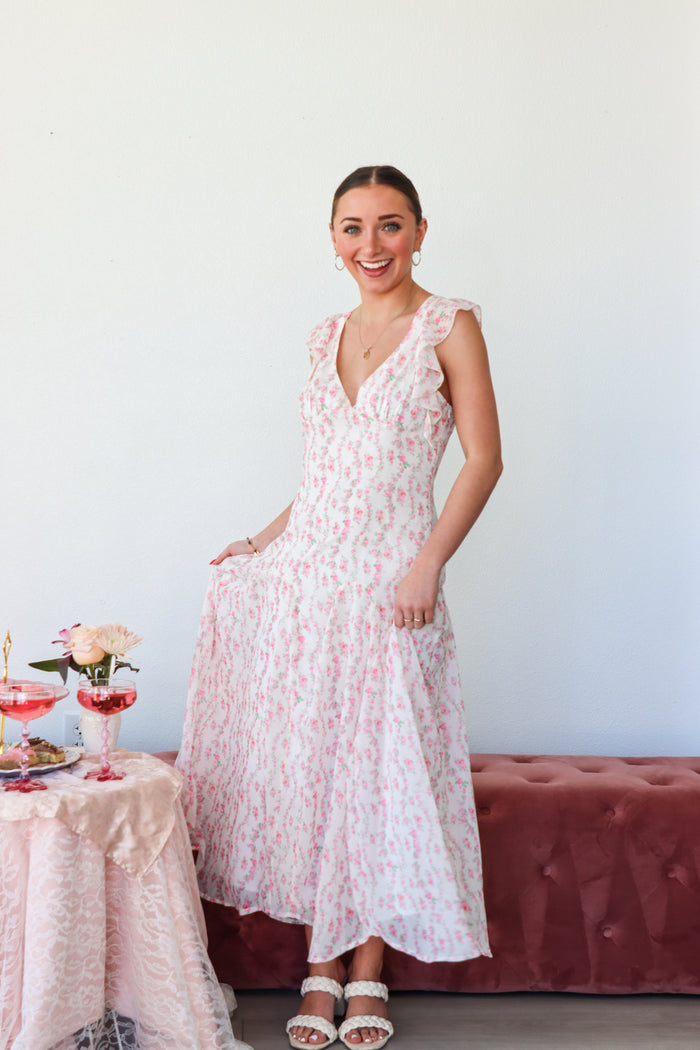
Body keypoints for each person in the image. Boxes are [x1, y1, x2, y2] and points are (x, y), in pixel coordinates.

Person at [177, 165, 503, 1050]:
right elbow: (326, 479)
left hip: (393, 585)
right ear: (332, 240)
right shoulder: (322, 336)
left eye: (390, 227)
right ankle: (319, 965)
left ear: (421, 232)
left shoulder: (449, 324)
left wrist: (429, 563)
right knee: (318, 773)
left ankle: (367, 973)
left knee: (378, 778)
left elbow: (482, 460)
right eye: (353, 229)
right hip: (310, 582)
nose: (372, 246)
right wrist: (263, 540)